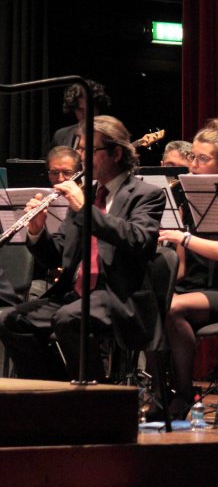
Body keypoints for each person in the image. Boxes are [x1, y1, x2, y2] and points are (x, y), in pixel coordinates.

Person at [0, 115, 165, 380]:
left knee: (69, 319)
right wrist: (37, 231)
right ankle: (57, 391)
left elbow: (138, 240)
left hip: (119, 294)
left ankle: (97, 398)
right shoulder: (86, 194)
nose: (82, 157)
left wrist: (85, 210)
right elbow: (58, 255)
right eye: (79, 148)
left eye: (90, 150)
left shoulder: (146, 195)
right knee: (10, 321)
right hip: (76, 293)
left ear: (116, 153)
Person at [157, 118, 218, 419]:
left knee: (173, 308)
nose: (194, 164)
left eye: (202, 158)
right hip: (196, 290)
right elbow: (183, 269)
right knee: (154, 306)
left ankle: (185, 392)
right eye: (192, 158)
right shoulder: (186, 201)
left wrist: (183, 236)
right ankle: (164, 391)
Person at [27, 146, 84, 300]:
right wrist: (36, 231)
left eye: (67, 173)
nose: (60, 179)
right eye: (54, 173)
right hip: (60, 283)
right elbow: (55, 256)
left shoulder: (86, 201)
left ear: (80, 172)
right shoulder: (50, 198)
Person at [50, 80, 111, 151]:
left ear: (98, 108)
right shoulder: (60, 135)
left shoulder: (110, 136)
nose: (85, 114)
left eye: (89, 108)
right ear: (73, 109)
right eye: (80, 109)